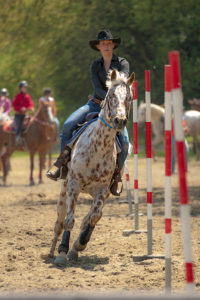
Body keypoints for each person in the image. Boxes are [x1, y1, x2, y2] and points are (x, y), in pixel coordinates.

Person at [46, 29, 130, 196]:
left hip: (114, 109)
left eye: (109, 43)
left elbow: (123, 83)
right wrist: (107, 95)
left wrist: (113, 97)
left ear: (113, 45)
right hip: (95, 104)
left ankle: (116, 177)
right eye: (103, 44)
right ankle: (62, 166)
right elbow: (97, 88)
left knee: (125, 143)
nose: (106, 46)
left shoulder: (122, 63)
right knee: (68, 125)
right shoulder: (95, 65)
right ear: (98, 46)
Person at [12, 80, 34, 146]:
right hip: (18, 115)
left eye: (26, 87)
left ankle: (29, 139)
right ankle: (17, 138)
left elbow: (30, 103)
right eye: (24, 87)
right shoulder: (17, 96)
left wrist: (31, 107)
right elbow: (14, 104)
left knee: (31, 124)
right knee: (19, 126)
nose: (26, 88)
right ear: (21, 88)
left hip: (24, 115)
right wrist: (20, 108)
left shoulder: (27, 96)